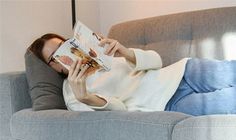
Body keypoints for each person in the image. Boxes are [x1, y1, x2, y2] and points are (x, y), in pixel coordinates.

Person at [28, 33, 236, 116]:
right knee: (230, 101)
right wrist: (86, 97)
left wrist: (125, 52)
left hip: (181, 72)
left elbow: (157, 61)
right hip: (166, 103)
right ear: (52, 67)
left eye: (64, 46)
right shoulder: (73, 94)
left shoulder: (101, 54)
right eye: (56, 57)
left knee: (230, 71)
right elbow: (119, 111)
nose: (65, 56)